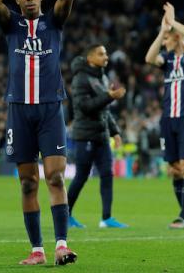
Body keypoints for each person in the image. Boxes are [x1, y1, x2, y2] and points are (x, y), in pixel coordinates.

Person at [0, 0, 76, 266]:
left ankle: (62, 245)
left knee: (55, 177)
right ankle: (37, 250)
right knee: (28, 182)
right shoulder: (10, 24)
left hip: (51, 108)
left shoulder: (53, 21)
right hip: (19, 110)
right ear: (18, 0)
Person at [145, 2, 184, 229]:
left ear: (178, 38)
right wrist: (163, 31)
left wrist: (174, 24)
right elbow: (149, 59)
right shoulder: (169, 62)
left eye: (167, 40)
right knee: (174, 170)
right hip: (167, 119)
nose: (164, 44)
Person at [67, 44, 129, 229]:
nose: (106, 57)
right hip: (85, 135)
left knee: (107, 175)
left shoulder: (101, 77)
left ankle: (107, 218)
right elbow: (85, 106)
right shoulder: (80, 78)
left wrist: (115, 132)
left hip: (101, 135)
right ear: (90, 58)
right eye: (101, 54)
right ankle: (66, 215)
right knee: (81, 177)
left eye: (106, 53)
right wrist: (109, 96)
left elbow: (104, 110)